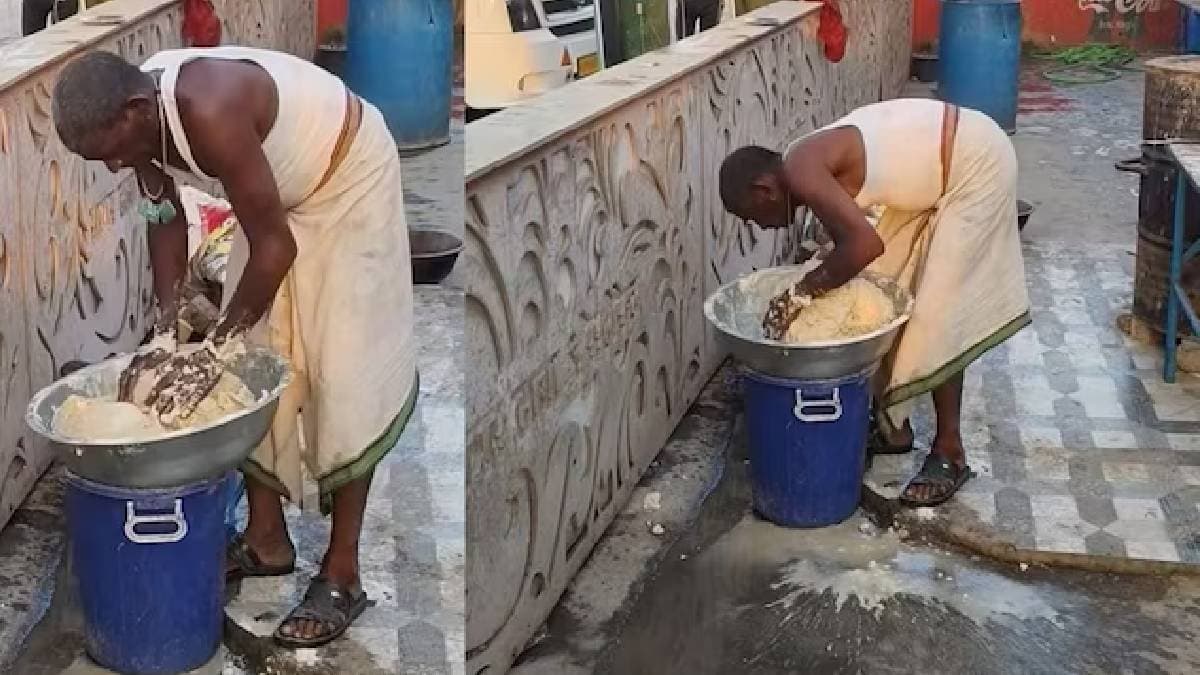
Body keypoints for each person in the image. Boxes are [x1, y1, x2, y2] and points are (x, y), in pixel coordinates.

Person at [52, 47, 418, 648]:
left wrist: (215, 348)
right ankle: (267, 541)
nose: (116, 165)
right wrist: (170, 329)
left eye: (112, 151)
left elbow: (274, 248)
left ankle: (342, 573)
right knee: (257, 360)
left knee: (345, 372)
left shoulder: (208, 108)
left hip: (345, 177)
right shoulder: (143, 125)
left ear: (137, 109)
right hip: (273, 198)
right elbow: (163, 213)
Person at [718, 97, 1030, 508]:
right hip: (943, 166)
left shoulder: (803, 169)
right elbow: (853, 242)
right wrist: (820, 270)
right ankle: (894, 427)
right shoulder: (802, 160)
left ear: (764, 189)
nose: (757, 226)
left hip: (975, 166)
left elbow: (863, 244)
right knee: (883, 284)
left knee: (936, 312)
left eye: (750, 215)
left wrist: (800, 292)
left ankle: (950, 451)